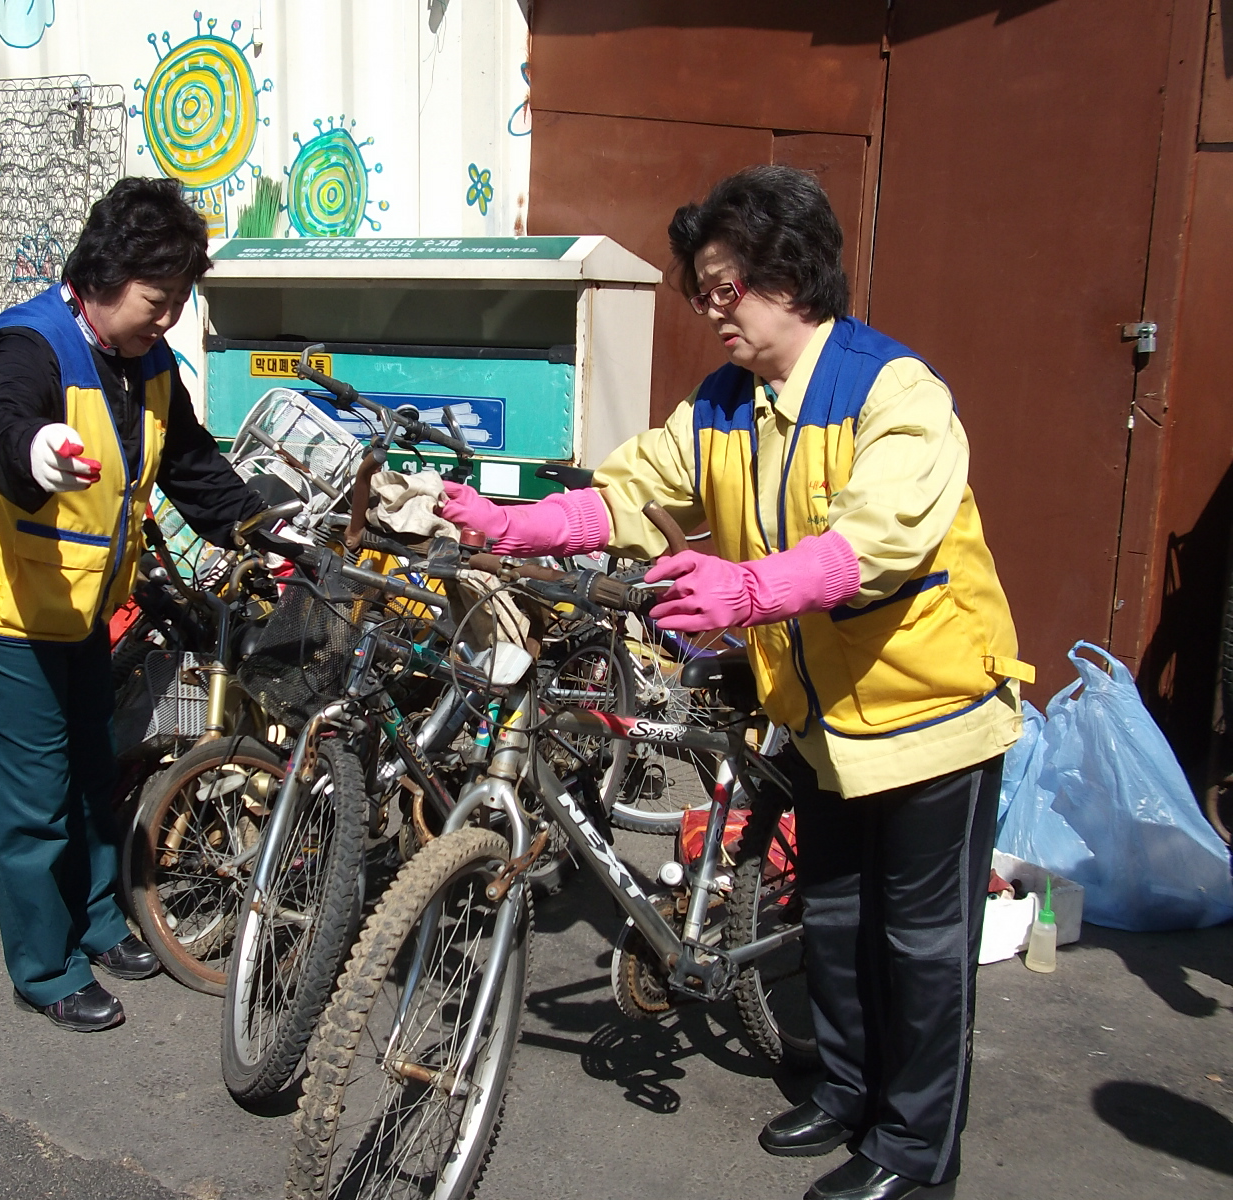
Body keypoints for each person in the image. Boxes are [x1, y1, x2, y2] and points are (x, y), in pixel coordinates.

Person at [441, 165, 1032, 1200]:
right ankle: (846, 1095)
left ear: (788, 278)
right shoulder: (725, 402)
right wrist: (505, 523)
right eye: (701, 288)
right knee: (838, 921)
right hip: (822, 723)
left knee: (921, 947)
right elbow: (627, 492)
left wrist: (748, 588)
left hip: (931, 715)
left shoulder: (894, 391)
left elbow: (877, 543)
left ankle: (914, 1153)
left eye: (724, 287)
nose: (709, 309)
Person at [0, 177, 266, 1032]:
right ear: (102, 278)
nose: (169, 320)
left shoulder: (143, 361)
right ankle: (45, 967)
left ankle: (102, 922)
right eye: (158, 300)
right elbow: (6, 428)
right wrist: (33, 452)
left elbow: (189, 462)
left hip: (73, 612)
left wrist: (264, 527)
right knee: (32, 801)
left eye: (180, 302)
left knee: (91, 773)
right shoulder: (25, 347)